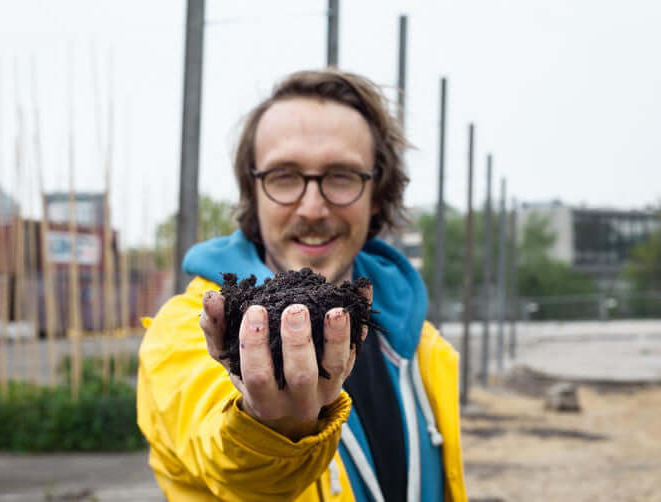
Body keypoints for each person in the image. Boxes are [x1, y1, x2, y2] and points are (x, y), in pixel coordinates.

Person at [137, 69, 467, 501]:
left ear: (378, 192)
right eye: (285, 176)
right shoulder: (188, 331)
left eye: (341, 176)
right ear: (253, 191)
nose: (312, 208)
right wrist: (270, 431)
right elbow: (228, 464)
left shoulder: (418, 344)